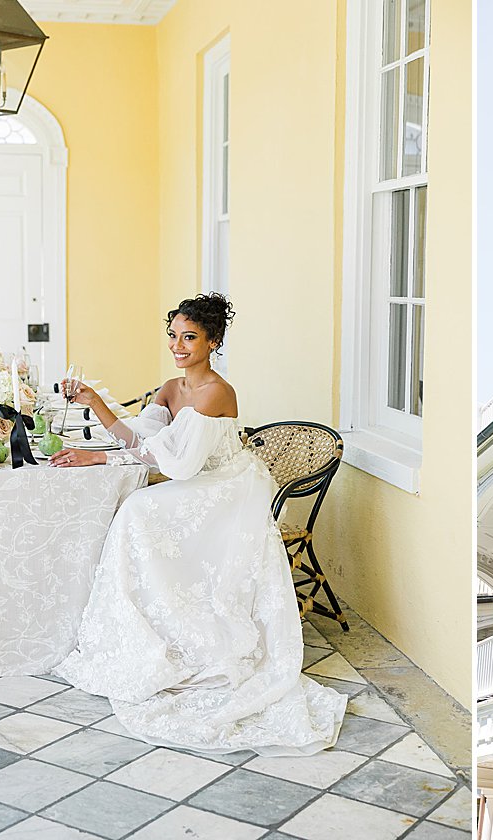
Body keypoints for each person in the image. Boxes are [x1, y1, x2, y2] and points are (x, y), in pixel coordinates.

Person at [50, 292, 346, 755]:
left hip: (227, 486)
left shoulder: (216, 392)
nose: (179, 345)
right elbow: (141, 440)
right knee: (134, 509)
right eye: (174, 336)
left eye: (190, 337)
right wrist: (94, 403)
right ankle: (150, 627)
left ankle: (186, 630)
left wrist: (95, 459)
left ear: (213, 341)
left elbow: (179, 464)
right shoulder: (171, 388)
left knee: (139, 511)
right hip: (195, 477)